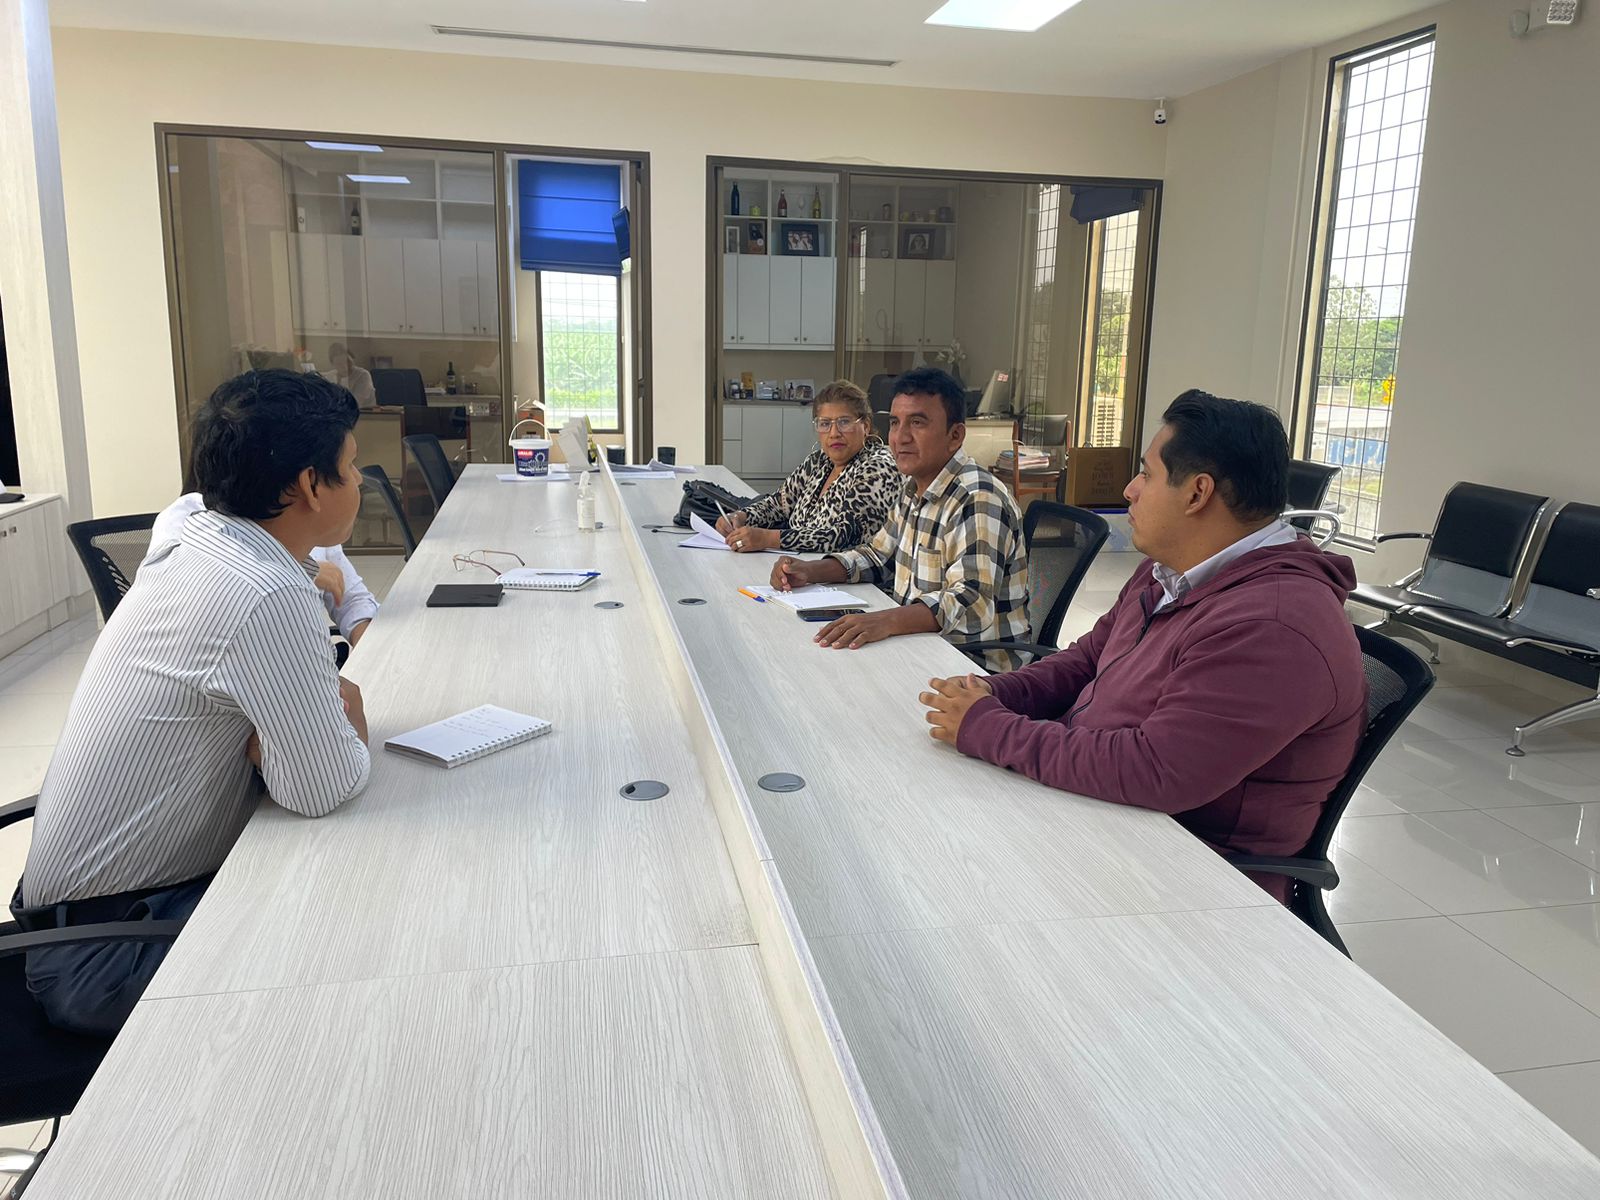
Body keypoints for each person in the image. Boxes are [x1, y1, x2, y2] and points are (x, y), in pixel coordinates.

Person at [11, 370, 372, 1035]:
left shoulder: (195, 533)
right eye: (350, 468)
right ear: (308, 485)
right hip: (110, 948)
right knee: (364, 932)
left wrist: (287, 733)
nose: (361, 482)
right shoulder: (265, 591)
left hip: (80, 914)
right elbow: (322, 787)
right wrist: (340, 719)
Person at [920, 390, 1367, 901]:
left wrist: (989, 729)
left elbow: (1157, 770)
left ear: (1197, 494)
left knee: (951, 885)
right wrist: (996, 693)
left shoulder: (1275, 626)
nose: (1129, 490)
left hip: (1188, 878)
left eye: (1146, 474)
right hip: (1103, 814)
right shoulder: (1169, 572)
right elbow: (1087, 660)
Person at [769, 367, 1029, 671]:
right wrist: (809, 571)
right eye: (895, 423)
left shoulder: (978, 499)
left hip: (976, 670)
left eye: (917, 422)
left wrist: (884, 621)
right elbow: (877, 556)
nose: (900, 437)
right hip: (920, 648)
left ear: (955, 436)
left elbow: (971, 604)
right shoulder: (913, 488)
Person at [147, 493, 379, 646]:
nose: (357, 478)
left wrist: (370, 655)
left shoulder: (308, 517)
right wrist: (302, 570)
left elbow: (352, 599)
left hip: (303, 659)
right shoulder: (189, 513)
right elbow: (190, 590)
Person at [715, 380, 899, 554]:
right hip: (797, 563)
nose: (834, 433)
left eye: (844, 422)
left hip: (840, 573)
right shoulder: (819, 461)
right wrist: (741, 516)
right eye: (825, 424)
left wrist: (768, 538)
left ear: (865, 426)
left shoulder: (879, 467)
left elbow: (845, 536)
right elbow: (778, 504)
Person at [328, 342, 377, 409]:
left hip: (364, 413)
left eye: (348, 361)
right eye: (339, 364)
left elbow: (355, 403)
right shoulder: (329, 377)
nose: (345, 367)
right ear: (333, 365)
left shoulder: (363, 375)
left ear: (353, 358)